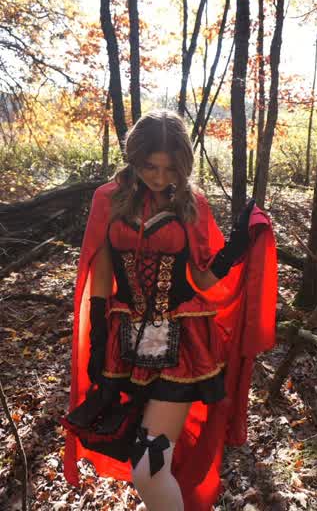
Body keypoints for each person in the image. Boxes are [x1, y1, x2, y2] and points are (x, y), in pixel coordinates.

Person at [61, 109, 277, 511]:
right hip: (124, 346)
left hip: (183, 349)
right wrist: (98, 340)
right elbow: (101, 269)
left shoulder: (191, 203)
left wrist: (236, 247)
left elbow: (204, 280)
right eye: (150, 167)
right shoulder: (108, 198)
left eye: (169, 168)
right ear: (134, 158)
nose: (160, 178)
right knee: (139, 456)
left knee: (149, 467)